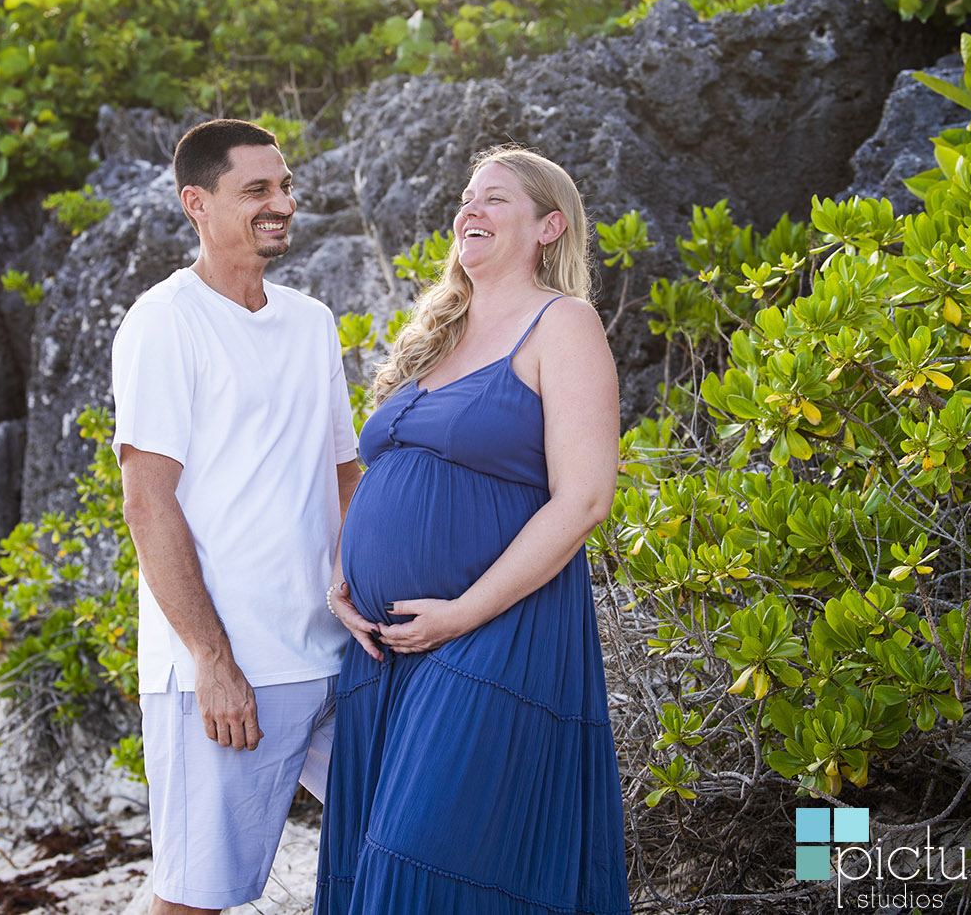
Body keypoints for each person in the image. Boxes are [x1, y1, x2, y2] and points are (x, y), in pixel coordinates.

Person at [316, 146, 631, 915]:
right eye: (466, 198)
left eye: (495, 200)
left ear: (548, 227)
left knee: (424, 863)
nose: (470, 211)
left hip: (497, 631)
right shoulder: (433, 340)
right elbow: (370, 480)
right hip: (384, 645)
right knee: (376, 859)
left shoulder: (564, 323)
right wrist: (342, 579)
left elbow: (585, 498)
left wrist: (465, 612)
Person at [111, 119, 360, 915]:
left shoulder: (311, 320)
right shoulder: (164, 321)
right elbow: (147, 501)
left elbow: (344, 473)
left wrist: (359, 595)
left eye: (284, 186)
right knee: (196, 899)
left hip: (334, 659)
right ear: (197, 203)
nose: (281, 203)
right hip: (229, 676)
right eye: (257, 190)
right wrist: (213, 664)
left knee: (403, 844)